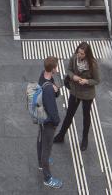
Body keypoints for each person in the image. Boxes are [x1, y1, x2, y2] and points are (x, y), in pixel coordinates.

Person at [53, 41, 101, 152]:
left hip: (87, 94)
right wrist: (73, 76)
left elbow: (97, 80)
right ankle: (61, 135)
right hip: (75, 91)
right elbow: (68, 70)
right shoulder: (74, 58)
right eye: (79, 53)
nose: (79, 55)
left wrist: (87, 81)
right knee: (69, 114)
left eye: (82, 54)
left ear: (87, 54)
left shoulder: (93, 64)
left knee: (86, 116)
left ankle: (85, 139)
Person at [36, 56, 64, 189]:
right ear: (53, 69)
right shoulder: (48, 89)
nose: (57, 69)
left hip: (41, 118)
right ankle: (47, 178)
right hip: (48, 122)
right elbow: (52, 109)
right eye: (56, 67)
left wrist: (56, 90)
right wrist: (56, 121)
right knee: (47, 148)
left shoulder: (43, 77)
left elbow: (55, 92)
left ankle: (41, 163)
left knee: (40, 140)